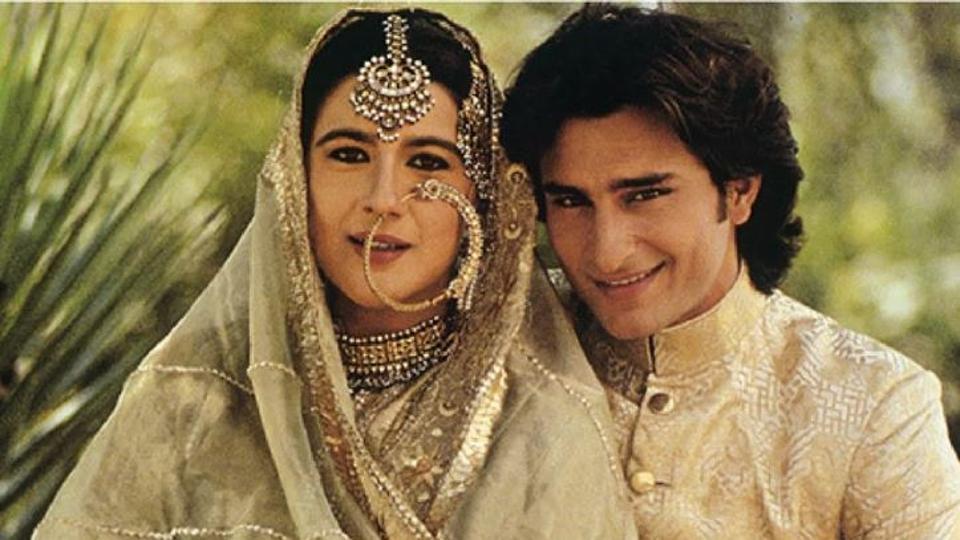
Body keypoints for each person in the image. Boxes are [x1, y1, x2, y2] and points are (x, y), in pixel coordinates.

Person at [36, 8, 636, 539]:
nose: (383, 198)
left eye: (428, 162)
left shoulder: (540, 427)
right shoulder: (192, 403)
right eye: (349, 155)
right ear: (295, 178)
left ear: (484, 197)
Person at [502, 4, 960, 538]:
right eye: (571, 201)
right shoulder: (505, 344)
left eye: (644, 195)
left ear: (739, 191)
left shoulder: (874, 406)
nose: (606, 253)